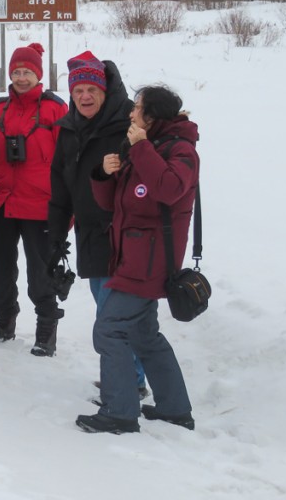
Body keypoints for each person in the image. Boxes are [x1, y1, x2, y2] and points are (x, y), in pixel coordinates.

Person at [76, 85, 199, 434]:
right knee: (143, 334)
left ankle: (119, 411)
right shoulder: (151, 146)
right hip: (131, 255)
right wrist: (104, 174)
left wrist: (141, 147)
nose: (131, 113)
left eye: (138, 108)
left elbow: (169, 189)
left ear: (153, 116)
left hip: (150, 260)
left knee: (111, 329)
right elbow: (114, 203)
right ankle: (175, 409)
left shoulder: (181, 150)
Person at [47, 51, 146, 393]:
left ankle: (126, 385)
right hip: (91, 236)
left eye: (92, 90)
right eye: (78, 91)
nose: (85, 97)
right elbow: (60, 187)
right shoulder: (70, 130)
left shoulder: (126, 129)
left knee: (114, 318)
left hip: (123, 237)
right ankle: (128, 380)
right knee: (110, 315)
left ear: (105, 92)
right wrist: (56, 237)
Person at [0, 42, 68, 355]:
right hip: (2, 203)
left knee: (40, 274)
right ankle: (4, 323)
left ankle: (46, 333)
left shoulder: (55, 110)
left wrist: (66, 208)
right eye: (16, 71)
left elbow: (67, 160)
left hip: (40, 206)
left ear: (38, 75)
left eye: (27, 72)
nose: (22, 77)